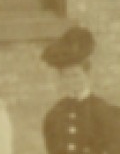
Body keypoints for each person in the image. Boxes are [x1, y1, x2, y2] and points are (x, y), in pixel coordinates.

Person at [42, 26, 120, 154]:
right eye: (66, 76)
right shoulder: (54, 115)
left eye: (76, 75)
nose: (72, 81)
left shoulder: (105, 112)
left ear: (87, 75)